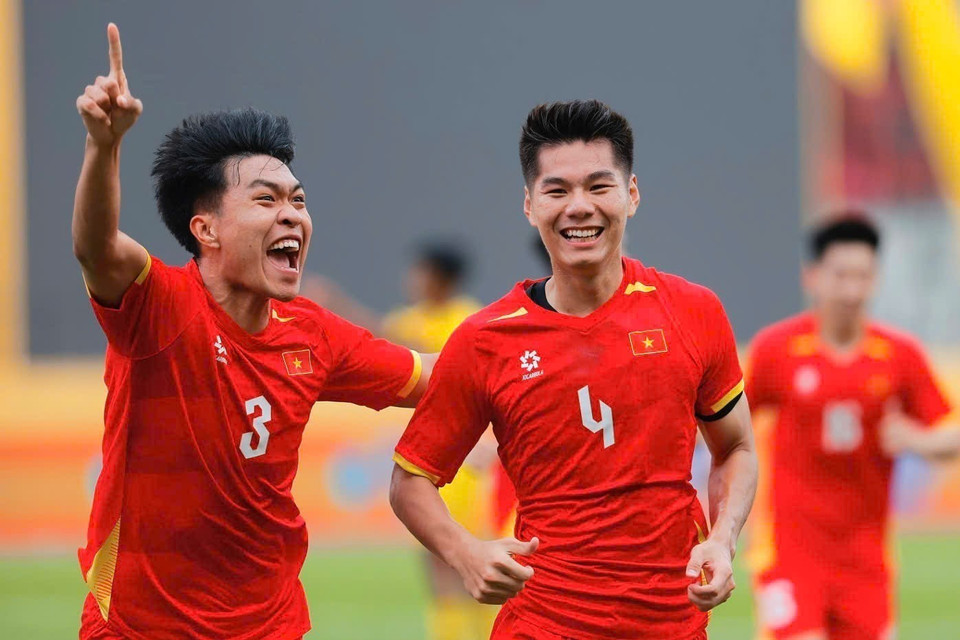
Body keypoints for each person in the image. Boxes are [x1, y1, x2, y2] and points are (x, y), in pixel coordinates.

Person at [73, 24, 433, 639]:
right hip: (139, 626)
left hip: (272, 625)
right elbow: (98, 248)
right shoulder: (159, 307)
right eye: (266, 201)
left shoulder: (314, 334)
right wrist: (103, 147)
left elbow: (436, 377)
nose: (292, 214)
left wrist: (552, 344)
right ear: (206, 230)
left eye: (298, 199)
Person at [389, 100, 758, 639]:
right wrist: (464, 552)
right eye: (557, 191)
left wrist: (722, 540)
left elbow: (737, 447)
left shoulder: (693, 312)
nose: (578, 207)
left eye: (599, 187)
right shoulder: (485, 340)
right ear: (529, 205)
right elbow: (410, 480)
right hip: (543, 623)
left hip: (674, 623)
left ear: (631, 195)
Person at [746, 215, 960, 640]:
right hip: (792, 553)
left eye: (862, 276)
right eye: (841, 275)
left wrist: (918, 439)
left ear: (875, 278)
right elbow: (727, 425)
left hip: (866, 561)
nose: (851, 290)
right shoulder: (777, 350)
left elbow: (951, 434)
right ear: (813, 277)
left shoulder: (899, 355)